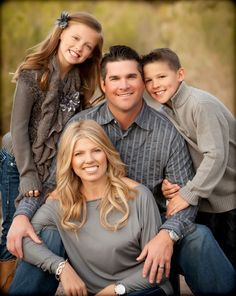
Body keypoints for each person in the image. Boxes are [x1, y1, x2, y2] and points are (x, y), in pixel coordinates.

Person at [8, 45, 236, 295]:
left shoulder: (167, 130)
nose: (124, 85)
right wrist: (22, 215)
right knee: (44, 234)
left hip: (147, 225)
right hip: (88, 226)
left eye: (131, 77)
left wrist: (167, 235)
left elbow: (184, 198)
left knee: (197, 237)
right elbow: (53, 183)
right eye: (115, 78)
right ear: (104, 85)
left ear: (142, 82)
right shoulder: (83, 124)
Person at [0, 10, 103, 293]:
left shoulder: (80, 82)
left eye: (88, 47)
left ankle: (27, 276)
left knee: (36, 223)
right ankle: (6, 281)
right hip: (18, 161)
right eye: (75, 38)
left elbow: (71, 134)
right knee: (13, 222)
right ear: (60, 34)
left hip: (49, 168)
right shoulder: (33, 73)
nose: (79, 48)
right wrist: (28, 174)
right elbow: (19, 130)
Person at [11, 119, 174, 296]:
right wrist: (61, 267)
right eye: (78, 154)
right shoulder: (60, 203)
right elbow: (24, 242)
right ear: (69, 161)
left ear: (107, 154)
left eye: (96, 150)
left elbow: (157, 269)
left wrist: (116, 290)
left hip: (142, 290)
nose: (89, 160)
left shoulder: (139, 196)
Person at [141, 47, 236, 269]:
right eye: (149, 80)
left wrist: (188, 193)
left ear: (180, 74)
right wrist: (169, 185)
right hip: (206, 201)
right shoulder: (166, 111)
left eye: (162, 76)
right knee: (213, 267)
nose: (155, 85)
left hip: (230, 201)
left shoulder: (200, 105)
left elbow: (215, 155)